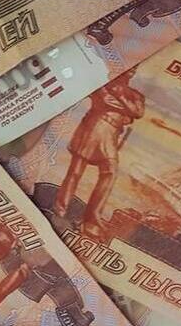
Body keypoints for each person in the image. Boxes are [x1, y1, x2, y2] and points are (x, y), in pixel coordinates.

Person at [54, 68, 145, 239]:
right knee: (75, 171)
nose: (132, 69)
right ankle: (60, 210)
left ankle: (92, 217)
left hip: (111, 134)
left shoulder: (135, 95)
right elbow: (105, 99)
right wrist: (125, 109)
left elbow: (138, 112)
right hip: (94, 127)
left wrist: (120, 96)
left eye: (136, 67)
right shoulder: (102, 83)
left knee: (110, 172)